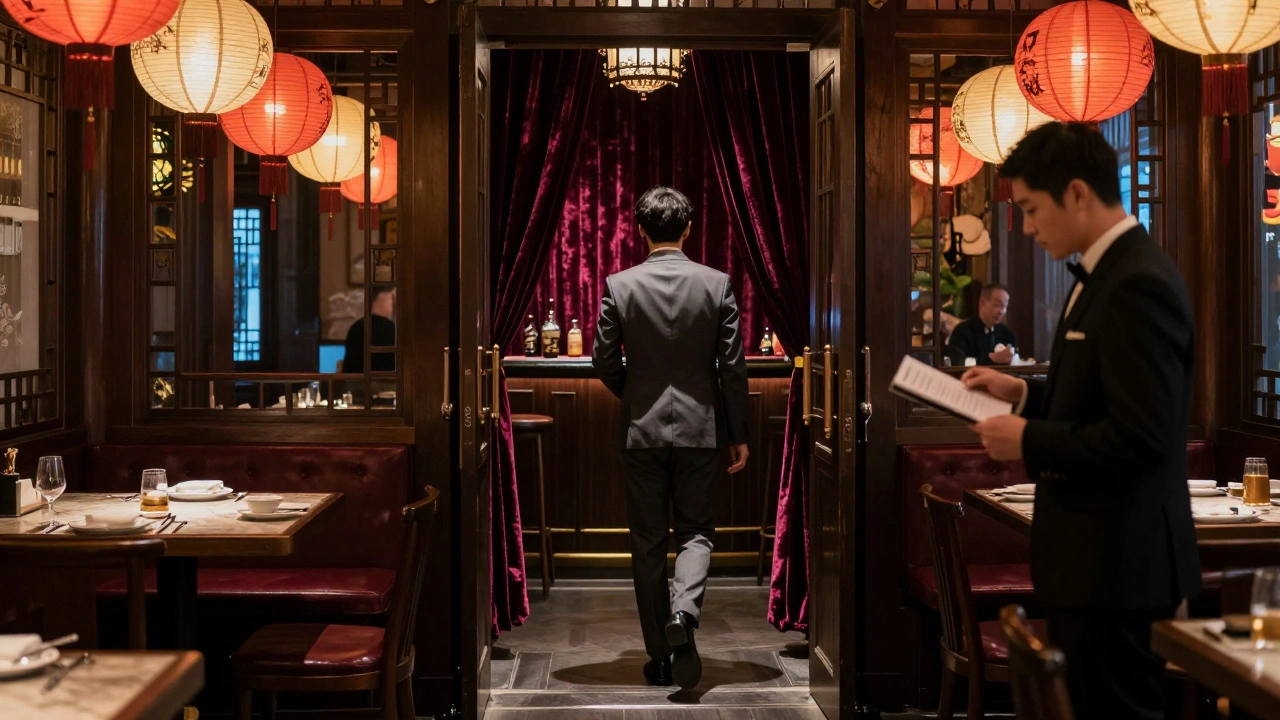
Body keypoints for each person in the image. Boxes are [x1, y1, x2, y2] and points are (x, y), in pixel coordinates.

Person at [964, 122, 1199, 720]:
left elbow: (1141, 436)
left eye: (1031, 208)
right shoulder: (1103, 273)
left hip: (1122, 565)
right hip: (1095, 563)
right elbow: (1097, 402)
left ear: (1076, 193)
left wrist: (1026, 438)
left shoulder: (1137, 282)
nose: (1026, 226)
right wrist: (1022, 394)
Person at [592, 187, 749, 690]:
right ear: (687, 229)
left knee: (647, 543)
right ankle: (684, 613)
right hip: (702, 430)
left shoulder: (619, 285)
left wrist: (635, 394)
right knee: (697, 533)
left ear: (641, 229)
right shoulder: (717, 283)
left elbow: (602, 361)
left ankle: (660, 658)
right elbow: (732, 368)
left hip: (642, 431)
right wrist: (737, 432)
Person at [945, 284, 1016, 366]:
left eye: (1004, 306)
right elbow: (956, 363)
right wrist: (991, 358)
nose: (1001, 311)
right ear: (982, 303)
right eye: (997, 305)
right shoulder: (963, 331)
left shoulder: (1007, 334)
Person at [342, 286, 396, 373]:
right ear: (379, 300)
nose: (392, 303)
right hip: (387, 384)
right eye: (390, 299)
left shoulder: (356, 327)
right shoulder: (390, 328)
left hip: (356, 384)